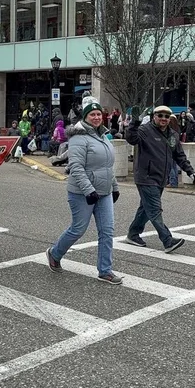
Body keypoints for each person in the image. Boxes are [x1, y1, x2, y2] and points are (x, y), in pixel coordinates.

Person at [46, 94, 122, 285]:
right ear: (85, 117)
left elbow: (107, 166)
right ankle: (55, 253)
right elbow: (77, 168)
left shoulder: (103, 135)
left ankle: (105, 270)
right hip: (82, 193)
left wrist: (114, 187)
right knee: (78, 228)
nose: (96, 117)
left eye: (98, 114)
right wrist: (89, 190)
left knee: (107, 231)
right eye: (92, 115)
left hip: (103, 192)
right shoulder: (78, 138)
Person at [125, 105, 195, 253]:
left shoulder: (173, 135)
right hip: (146, 177)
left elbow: (179, 156)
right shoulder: (145, 130)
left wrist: (189, 171)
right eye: (160, 115)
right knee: (155, 209)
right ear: (154, 117)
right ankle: (167, 240)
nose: (163, 119)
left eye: (166, 116)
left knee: (146, 208)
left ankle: (133, 234)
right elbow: (131, 139)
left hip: (161, 178)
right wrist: (135, 122)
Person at [167, 114, 180, 188]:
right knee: (174, 166)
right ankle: (175, 182)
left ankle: (172, 182)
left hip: (170, 149)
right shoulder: (177, 129)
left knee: (171, 166)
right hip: (176, 149)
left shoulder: (170, 131)